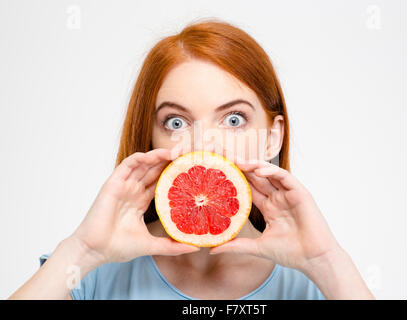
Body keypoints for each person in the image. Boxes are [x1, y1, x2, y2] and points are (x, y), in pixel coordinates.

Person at [8, 19, 374, 300]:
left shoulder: (313, 282)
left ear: (272, 137)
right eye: (177, 122)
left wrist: (327, 262)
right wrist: (83, 250)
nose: (204, 145)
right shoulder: (95, 272)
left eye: (233, 120)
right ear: (150, 137)